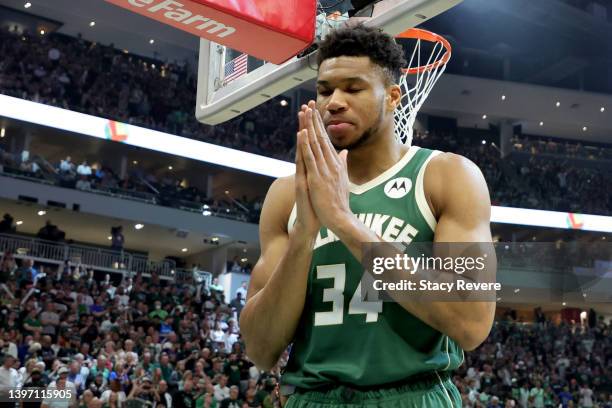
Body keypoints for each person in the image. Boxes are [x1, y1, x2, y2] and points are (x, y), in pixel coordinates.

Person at [239, 25, 495, 407]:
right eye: (325, 91)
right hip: (312, 397)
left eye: (353, 88)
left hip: (413, 395)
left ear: (393, 97)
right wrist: (305, 234)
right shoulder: (285, 195)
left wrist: (344, 221)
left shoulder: (447, 176)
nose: (334, 102)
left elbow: (471, 322)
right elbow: (260, 349)